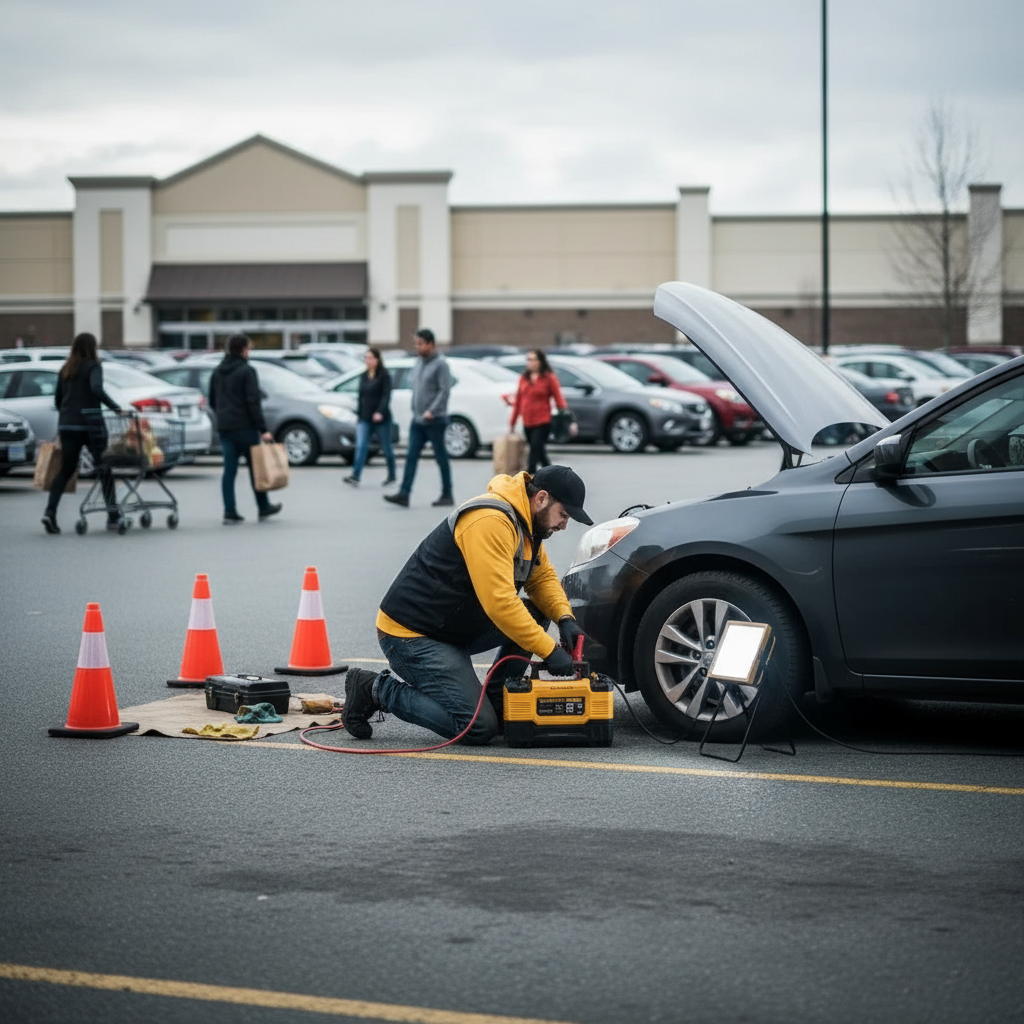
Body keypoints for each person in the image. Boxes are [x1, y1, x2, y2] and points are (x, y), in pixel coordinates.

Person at [344, 464, 594, 744]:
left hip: (452, 625)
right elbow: (500, 604)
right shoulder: (490, 521)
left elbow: (541, 578)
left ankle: (498, 702)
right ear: (542, 498)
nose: (564, 524)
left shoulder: (527, 524)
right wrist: (549, 651)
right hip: (412, 636)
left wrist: (565, 618)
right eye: (563, 515)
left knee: (535, 614)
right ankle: (374, 689)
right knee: (476, 727)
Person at [41, 332, 122, 534]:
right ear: (92, 347)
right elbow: (96, 388)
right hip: (90, 425)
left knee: (66, 470)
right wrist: (116, 408)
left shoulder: (65, 370)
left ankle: (50, 512)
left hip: (68, 425)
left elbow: (58, 400)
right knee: (104, 469)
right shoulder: (93, 366)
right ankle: (113, 515)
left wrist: (67, 417)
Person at [208, 334, 282, 525]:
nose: (249, 351)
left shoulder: (217, 371)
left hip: (225, 428)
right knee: (256, 468)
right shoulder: (247, 371)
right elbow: (253, 402)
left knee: (229, 470)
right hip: (245, 427)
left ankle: (229, 511)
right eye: (249, 348)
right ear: (243, 349)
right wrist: (263, 429)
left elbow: (212, 400)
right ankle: (263, 506)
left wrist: (223, 417)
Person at [384, 328, 453, 508]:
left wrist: (432, 410)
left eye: (421, 343)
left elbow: (444, 391)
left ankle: (447, 493)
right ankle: (404, 494)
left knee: (441, 458)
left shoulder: (440, 364)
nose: (418, 347)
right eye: (417, 343)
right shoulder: (418, 363)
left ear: (431, 344)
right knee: (411, 457)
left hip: (435, 420)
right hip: (418, 420)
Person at [508, 349, 571, 474]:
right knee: (539, 451)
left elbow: (558, 398)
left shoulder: (548, 378)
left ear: (540, 361)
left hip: (543, 420)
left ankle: (529, 473)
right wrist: (512, 422)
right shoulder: (523, 378)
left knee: (535, 449)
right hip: (527, 421)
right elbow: (518, 401)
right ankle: (551, 473)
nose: (530, 362)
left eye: (533, 359)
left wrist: (565, 416)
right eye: (528, 359)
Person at [344, 346, 397, 487]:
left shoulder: (384, 376)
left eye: (370, 358)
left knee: (386, 447)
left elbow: (386, 396)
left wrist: (380, 411)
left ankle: (392, 474)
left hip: (381, 418)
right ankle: (356, 475)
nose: (367, 361)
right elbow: (361, 397)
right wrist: (359, 414)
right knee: (361, 446)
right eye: (365, 358)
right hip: (365, 417)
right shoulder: (364, 376)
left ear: (377, 359)